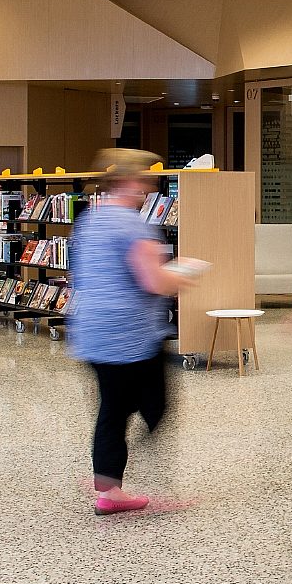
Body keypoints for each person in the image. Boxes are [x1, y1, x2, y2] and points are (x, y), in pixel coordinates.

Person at [68, 149, 199, 516]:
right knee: (155, 406)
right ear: (129, 182)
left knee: (113, 408)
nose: (147, 189)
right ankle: (114, 484)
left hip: (92, 331)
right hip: (131, 335)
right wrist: (186, 271)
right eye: (144, 181)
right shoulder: (133, 225)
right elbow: (154, 281)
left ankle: (108, 483)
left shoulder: (89, 220)